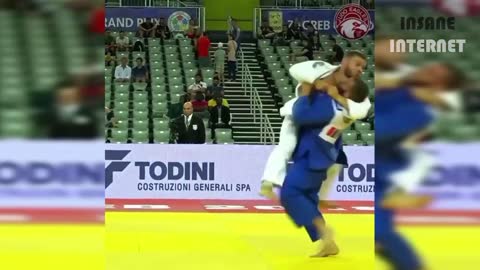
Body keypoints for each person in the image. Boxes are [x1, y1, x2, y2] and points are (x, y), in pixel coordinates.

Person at [260, 52, 371, 199]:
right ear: (345, 61)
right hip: (301, 113)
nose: (360, 70)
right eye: (357, 65)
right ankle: (268, 183)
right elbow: (295, 70)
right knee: (286, 146)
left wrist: (336, 96)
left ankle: (316, 195)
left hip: (324, 125)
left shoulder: (357, 86)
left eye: (363, 67)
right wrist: (317, 82)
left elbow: (362, 110)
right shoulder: (322, 69)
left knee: (335, 161)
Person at [280, 78, 369, 257]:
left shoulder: (340, 111)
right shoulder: (338, 106)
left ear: (349, 95)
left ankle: (325, 234)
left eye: (345, 86)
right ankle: (328, 243)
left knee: (291, 193)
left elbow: (301, 114)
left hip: (313, 157)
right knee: (307, 198)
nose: (339, 84)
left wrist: (307, 90)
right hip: (315, 156)